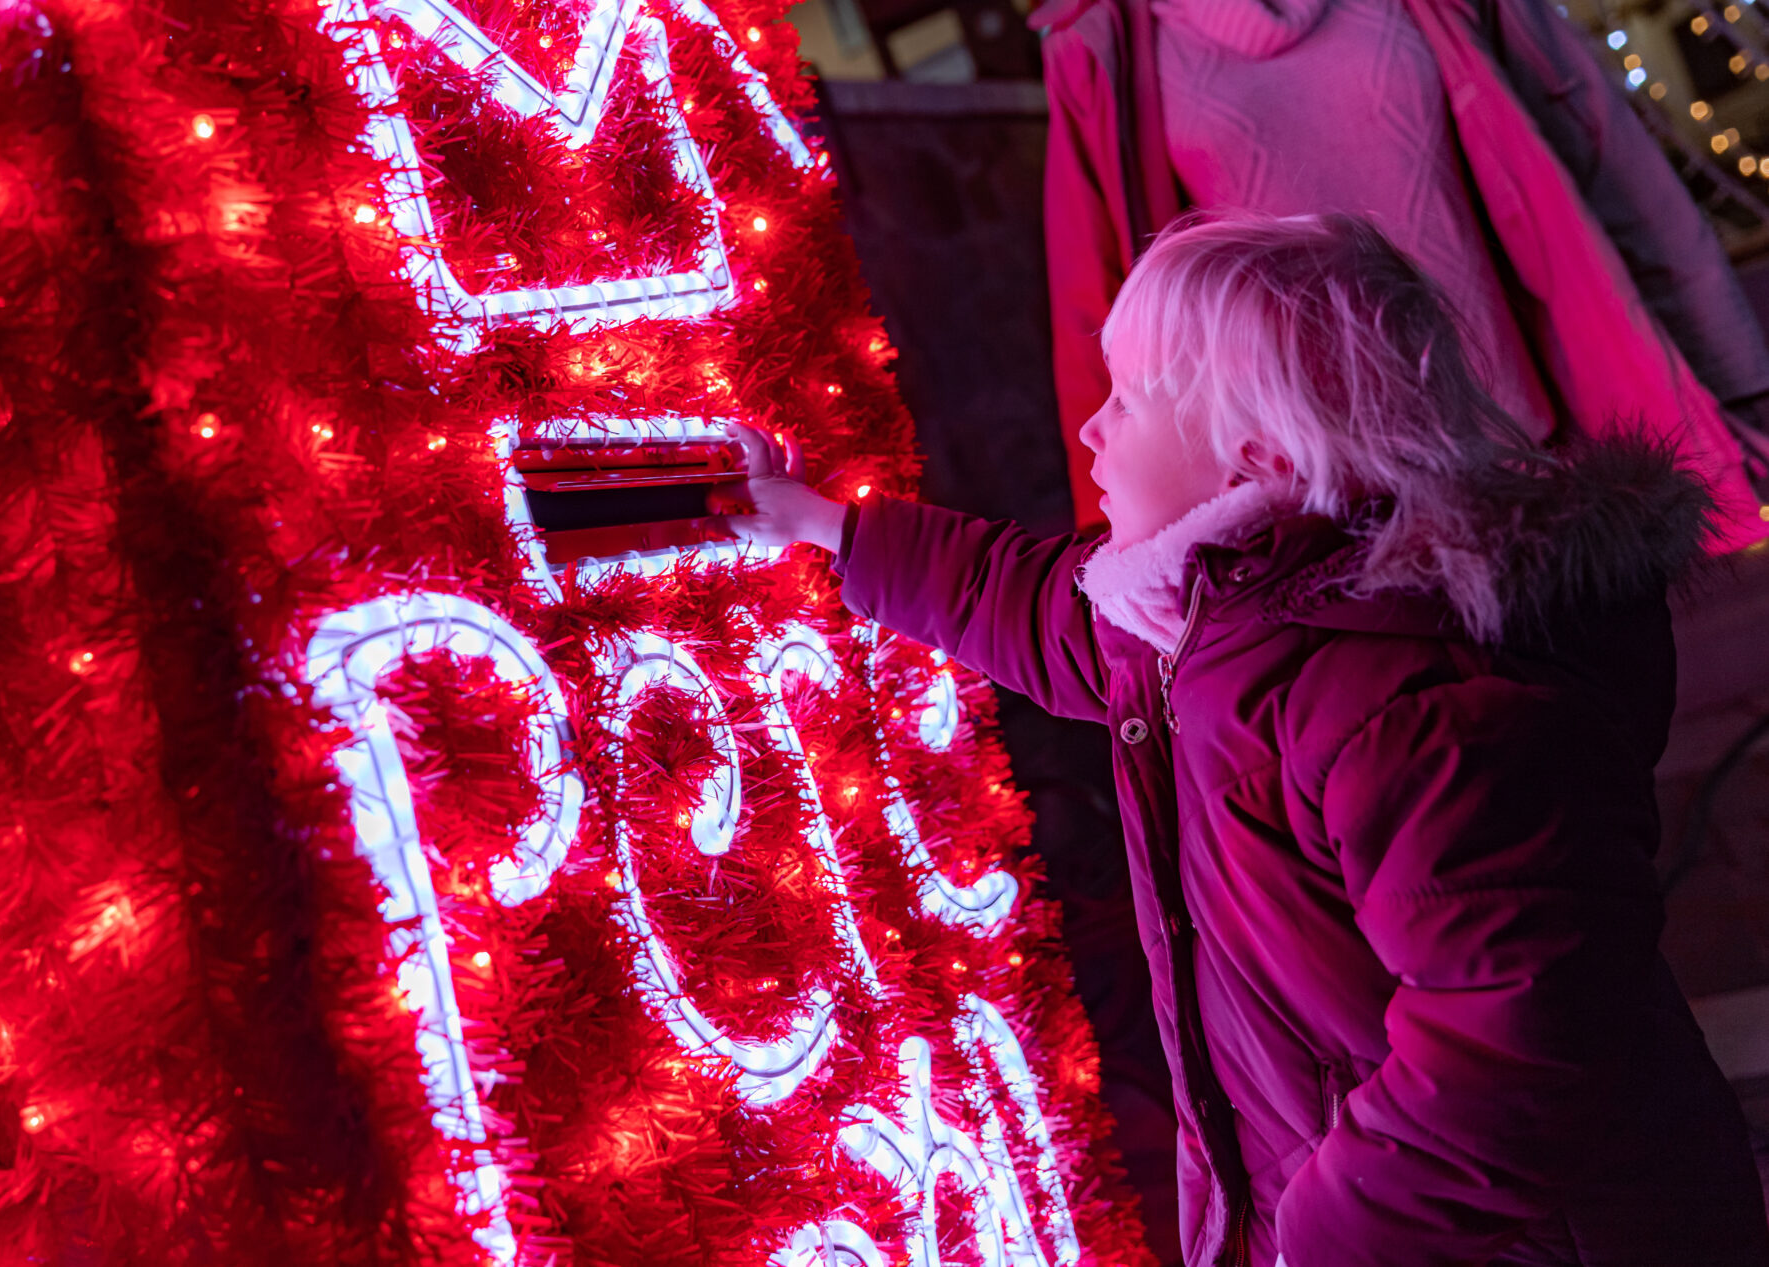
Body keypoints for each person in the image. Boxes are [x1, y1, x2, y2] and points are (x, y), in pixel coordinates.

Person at [717, 213, 1769, 1266]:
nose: (1090, 431)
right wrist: (820, 522)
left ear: (1255, 456)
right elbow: (1034, 604)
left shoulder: (1410, 698)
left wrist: (1323, 1230)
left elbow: (1513, 1032)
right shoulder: (1203, 620)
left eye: (1125, 398)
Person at [1033, 0, 1769, 553]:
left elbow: (1608, 162)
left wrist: (1733, 372)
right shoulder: (1103, 44)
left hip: (1512, 433)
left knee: (1594, 717)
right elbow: (1095, 302)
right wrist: (1123, 551)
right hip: (1317, 492)